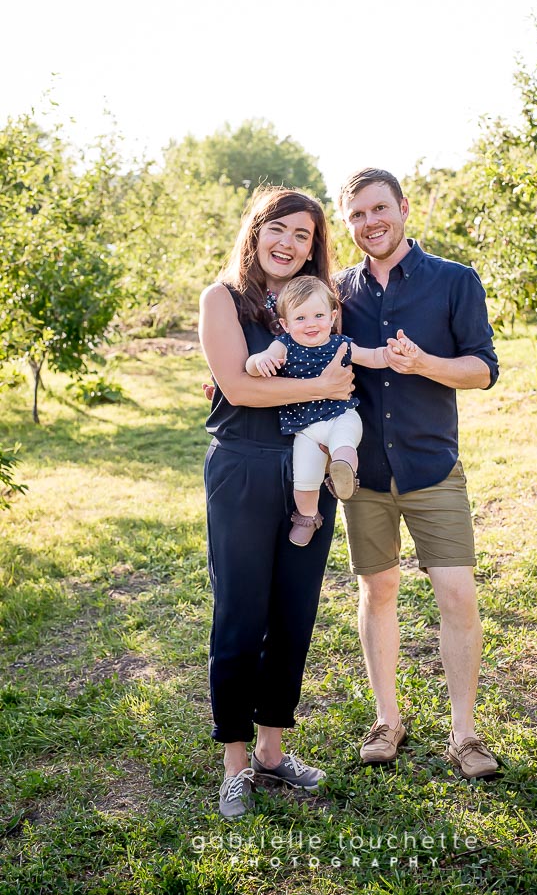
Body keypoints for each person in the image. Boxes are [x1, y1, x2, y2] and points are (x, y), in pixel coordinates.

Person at [336, 167, 501, 780]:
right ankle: (388, 720)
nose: (370, 222)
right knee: (377, 591)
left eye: (379, 208)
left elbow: (483, 370)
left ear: (404, 208)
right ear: (347, 223)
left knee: (456, 593)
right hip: (364, 474)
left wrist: (424, 363)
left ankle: (465, 734)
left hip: (432, 467)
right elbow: (300, 344)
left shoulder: (455, 280)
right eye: (357, 215)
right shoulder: (336, 292)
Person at [198, 186, 354, 818]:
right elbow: (238, 390)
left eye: (303, 235)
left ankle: (270, 750)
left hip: (308, 471)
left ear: (314, 248)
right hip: (243, 468)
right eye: (279, 229)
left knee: (294, 612)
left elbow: (350, 371)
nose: (289, 244)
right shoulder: (222, 299)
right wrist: (319, 387)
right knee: (240, 613)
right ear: (256, 231)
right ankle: (235, 762)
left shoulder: (318, 302)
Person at [246, 275, 413, 546]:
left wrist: (391, 353)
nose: (311, 324)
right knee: (304, 478)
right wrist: (260, 361)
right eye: (300, 318)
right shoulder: (284, 345)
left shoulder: (341, 344)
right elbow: (253, 365)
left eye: (319, 315)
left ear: (333, 316)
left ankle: (343, 473)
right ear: (286, 324)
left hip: (340, 415)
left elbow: (372, 356)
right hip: (306, 429)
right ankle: (307, 516)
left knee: (344, 443)